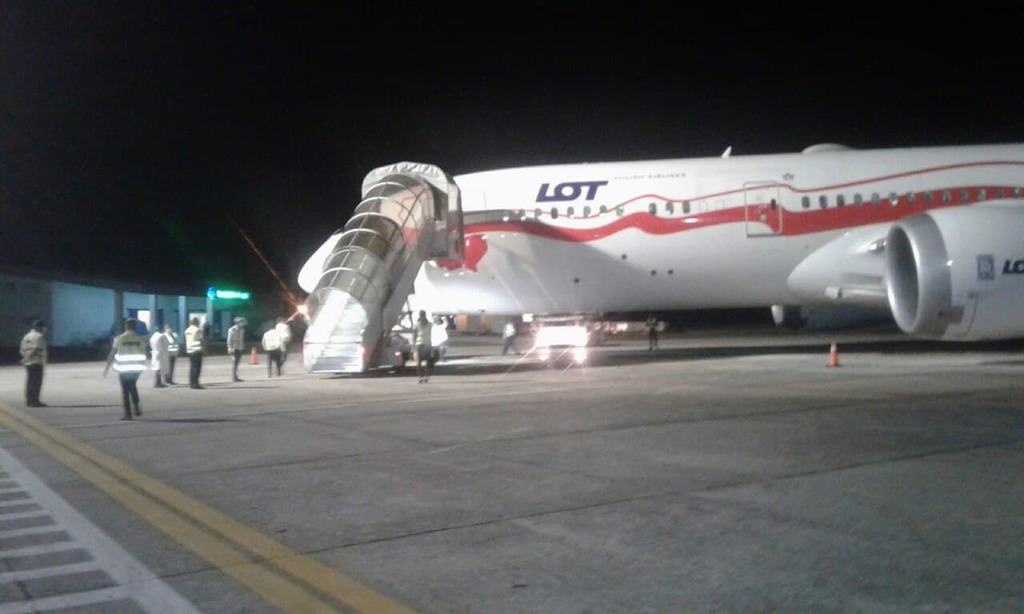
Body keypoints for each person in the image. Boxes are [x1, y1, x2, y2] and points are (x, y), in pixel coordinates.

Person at [104, 318, 147, 420]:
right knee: (133, 386)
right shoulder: (141, 339)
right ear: (135, 327)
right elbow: (145, 352)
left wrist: (107, 367)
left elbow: (112, 353)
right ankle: (136, 405)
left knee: (125, 391)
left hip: (124, 369)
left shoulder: (119, 339)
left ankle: (128, 414)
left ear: (126, 326)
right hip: (136, 369)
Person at [19, 320, 48, 407]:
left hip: (28, 363)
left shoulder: (26, 336)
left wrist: (25, 358)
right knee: (36, 383)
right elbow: (36, 349)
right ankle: (35, 401)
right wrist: (28, 358)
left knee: (30, 382)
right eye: (43, 328)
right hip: (36, 362)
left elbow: (21, 349)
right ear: (40, 327)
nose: (44, 330)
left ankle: (29, 400)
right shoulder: (39, 336)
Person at [184, 317, 205, 389]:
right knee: (197, 368)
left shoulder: (187, 330)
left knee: (192, 367)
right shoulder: (197, 330)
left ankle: (191, 383)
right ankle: (196, 383)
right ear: (197, 322)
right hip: (197, 350)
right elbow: (201, 340)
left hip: (189, 350)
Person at [414, 310, 432, 383]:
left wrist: (413, 344)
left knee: (418, 362)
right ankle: (426, 376)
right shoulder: (429, 324)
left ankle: (420, 377)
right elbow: (430, 333)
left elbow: (414, 334)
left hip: (419, 343)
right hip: (427, 343)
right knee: (427, 361)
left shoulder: (417, 324)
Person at [226, 317, 247, 382]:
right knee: (234, 362)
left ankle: (235, 376)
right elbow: (229, 340)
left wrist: (243, 346)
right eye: (241, 322)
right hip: (234, 347)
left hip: (240, 347)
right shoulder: (232, 329)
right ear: (237, 322)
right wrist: (229, 347)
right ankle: (234, 377)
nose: (242, 323)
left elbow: (242, 339)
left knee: (237, 363)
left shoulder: (242, 330)